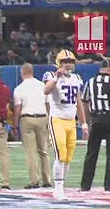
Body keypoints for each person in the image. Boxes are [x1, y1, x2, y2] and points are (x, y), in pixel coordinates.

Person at [43, 50, 89, 200]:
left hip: (71, 120)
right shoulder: (51, 75)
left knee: (69, 156)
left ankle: (62, 185)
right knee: (61, 153)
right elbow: (46, 90)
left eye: (70, 62)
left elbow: (79, 102)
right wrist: (57, 76)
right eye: (65, 62)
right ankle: (58, 188)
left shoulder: (76, 78)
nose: (68, 64)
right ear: (59, 63)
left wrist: (83, 123)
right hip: (57, 119)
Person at [80, 58, 110, 192]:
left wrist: (86, 122)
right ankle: (108, 186)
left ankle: (85, 186)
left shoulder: (90, 82)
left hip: (96, 119)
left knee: (91, 153)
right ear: (109, 69)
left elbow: (84, 101)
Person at [12, 63, 52, 189]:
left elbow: (17, 109)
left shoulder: (19, 88)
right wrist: (49, 121)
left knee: (31, 152)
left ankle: (34, 181)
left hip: (27, 119)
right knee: (43, 151)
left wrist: (14, 125)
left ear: (22, 73)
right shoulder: (42, 86)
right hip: (42, 118)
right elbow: (48, 105)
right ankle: (47, 180)